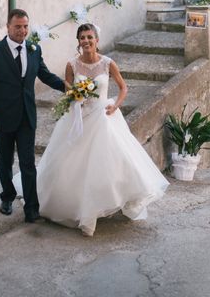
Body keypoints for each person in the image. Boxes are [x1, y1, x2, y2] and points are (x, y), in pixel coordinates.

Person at [35, 23, 169, 236]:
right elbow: (68, 90)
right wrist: (75, 97)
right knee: (71, 164)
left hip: (103, 117)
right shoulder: (72, 65)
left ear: (96, 40)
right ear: (78, 42)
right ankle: (75, 206)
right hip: (78, 118)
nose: (86, 41)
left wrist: (116, 105)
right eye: (82, 38)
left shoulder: (108, 63)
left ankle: (107, 203)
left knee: (111, 162)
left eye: (90, 37)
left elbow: (124, 87)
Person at [0, 9, 66, 223]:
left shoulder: (34, 49)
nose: (22, 30)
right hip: (2, 117)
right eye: (18, 26)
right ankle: (7, 197)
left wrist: (70, 88)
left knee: (28, 163)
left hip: (27, 116)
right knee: (5, 161)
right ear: (8, 27)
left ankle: (32, 208)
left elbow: (45, 75)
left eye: (25, 26)